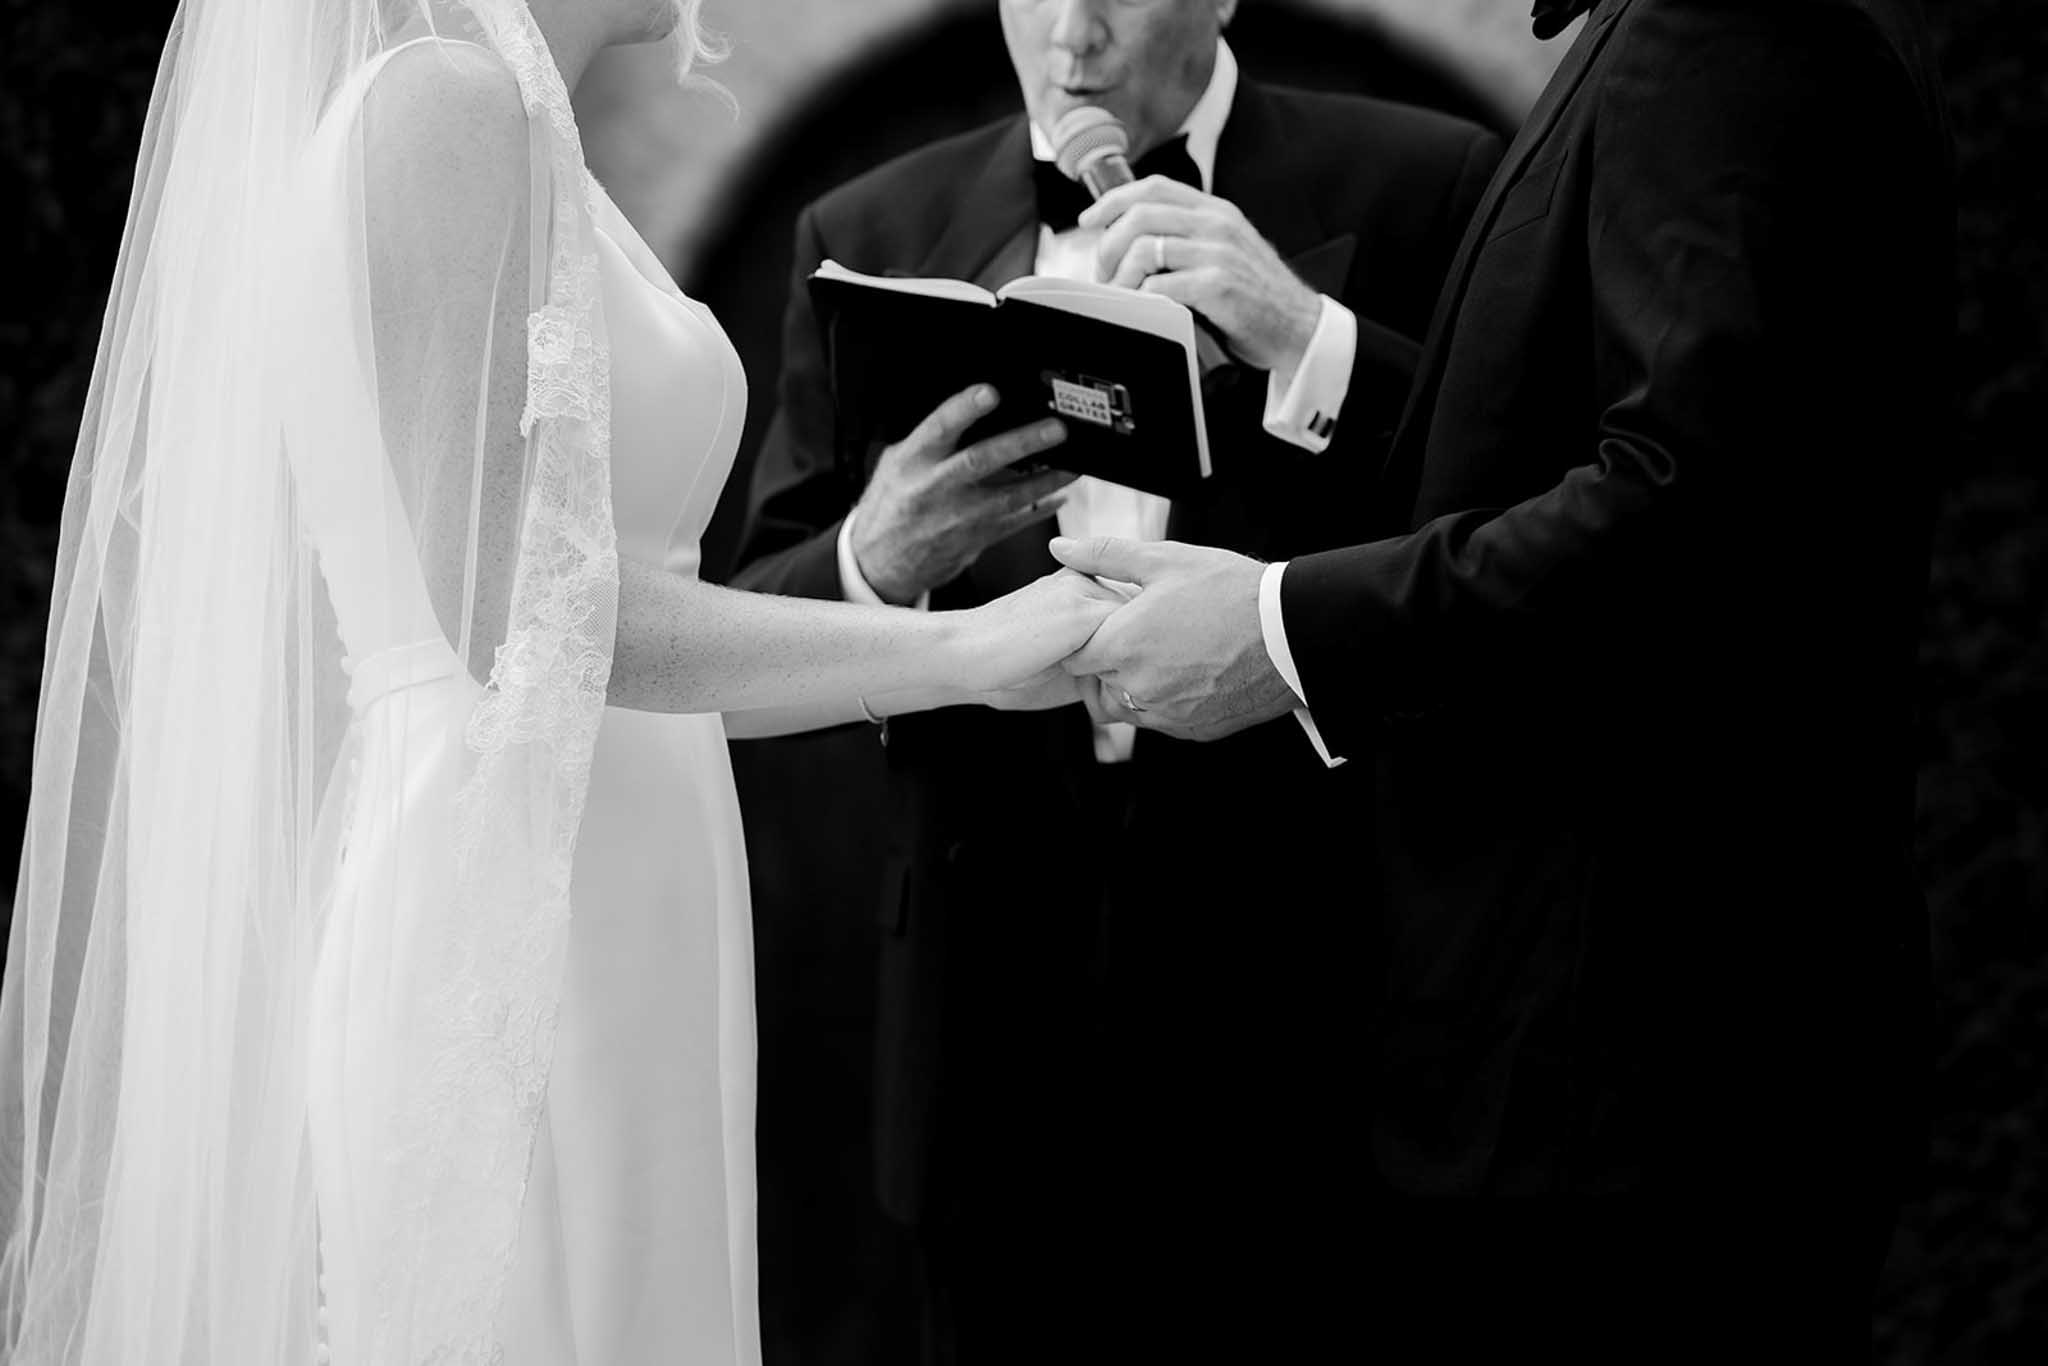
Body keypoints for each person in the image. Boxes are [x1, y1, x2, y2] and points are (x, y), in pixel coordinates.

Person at [0, 1, 1120, 1362]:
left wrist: (962, 664)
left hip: (623, 884)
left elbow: (627, 661)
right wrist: (960, 648)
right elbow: (516, 618)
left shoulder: (524, 130)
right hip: (508, 912)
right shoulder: (443, 110)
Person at [1049, 0, 1953, 1357]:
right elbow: (1560, 460)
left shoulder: (1721, 27)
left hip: (1633, 1081)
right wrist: (1305, 345)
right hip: (1621, 1072)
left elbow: (1684, 516)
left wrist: (1279, 630)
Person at [729, 0, 1499, 1358]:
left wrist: (1307, 336)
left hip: (1320, 1014)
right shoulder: (869, 224)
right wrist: (874, 554)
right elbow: (750, 621)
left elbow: (1511, 527)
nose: (1070, 41)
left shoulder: (1427, 181)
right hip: (982, 1027)